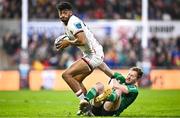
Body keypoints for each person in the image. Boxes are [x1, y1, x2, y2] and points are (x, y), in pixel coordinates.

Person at [55, 2, 115, 103]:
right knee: (76, 80)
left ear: (70, 13)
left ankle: (84, 102)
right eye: (60, 13)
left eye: (65, 13)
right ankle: (91, 106)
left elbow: (83, 41)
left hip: (93, 55)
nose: (62, 15)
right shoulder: (65, 23)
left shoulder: (73, 22)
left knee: (66, 75)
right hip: (90, 54)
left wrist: (68, 42)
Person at [78, 67, 143, 116]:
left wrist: (113, 78)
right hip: (98, 107)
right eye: (129, 74)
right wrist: (95, 61)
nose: (128, 77)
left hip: (111, 112)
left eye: (132, 76)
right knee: (99, 85)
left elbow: (120, 87)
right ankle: (86, 101)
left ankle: (103, 97)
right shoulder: (122, 79)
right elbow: (105, 68)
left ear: (137, 79)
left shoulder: (134, 90)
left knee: (118, 91)